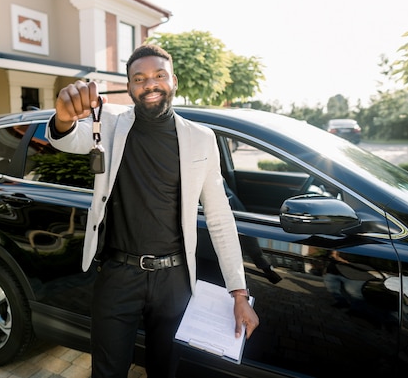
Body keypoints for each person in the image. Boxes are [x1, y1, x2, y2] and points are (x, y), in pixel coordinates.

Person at [47, 44, 259, 378]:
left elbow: (219, 217)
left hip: (174, 281)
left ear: (173, 81)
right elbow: (68, 139)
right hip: (117, 274)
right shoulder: (111, 121)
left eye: (159, 75)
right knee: (107, 372)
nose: (150, 84)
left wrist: (239, 291)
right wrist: (63, 117)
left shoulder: (201, 138)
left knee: (165, 371)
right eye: (139, 78)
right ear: (130, 87)